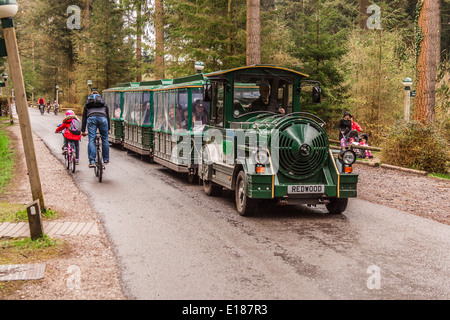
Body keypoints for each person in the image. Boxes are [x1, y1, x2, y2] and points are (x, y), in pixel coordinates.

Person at [81, 91, 110, 168]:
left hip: (91, 119)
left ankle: (92, 161)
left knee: (91, 139)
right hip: (103, 118)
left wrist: (83, 130)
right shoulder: (103, 102)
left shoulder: (88, 103)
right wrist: (108, 128)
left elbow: (84, 117)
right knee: (105, 139)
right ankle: (106, 159)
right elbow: (107, 115)